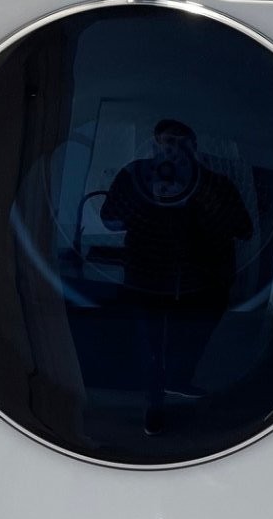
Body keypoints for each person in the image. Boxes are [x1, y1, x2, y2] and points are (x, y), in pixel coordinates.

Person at [101, 120, 252, 430]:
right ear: (154, 146)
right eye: (164, 143)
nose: (171, 151)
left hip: (205, 282)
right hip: (147, 278)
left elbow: (242, 228)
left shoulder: (214, 182)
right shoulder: (136, 175)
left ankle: (179, 379)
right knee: (150, 346)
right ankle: (154, 405)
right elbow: (110, 219)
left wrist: (200, 188)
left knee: (193, 339)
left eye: (180, 144)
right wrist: (146, 192)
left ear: (194, 149)